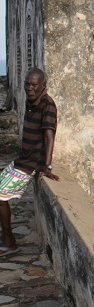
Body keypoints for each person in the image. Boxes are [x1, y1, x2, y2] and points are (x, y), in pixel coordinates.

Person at [0, 67, 59, 255]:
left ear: (43, 85)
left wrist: (47, 166)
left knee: (0, 197)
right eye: (27, 84)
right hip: (22, 160)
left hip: (32, 163)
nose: (30, 88)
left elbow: (49, 137)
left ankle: (9, 242)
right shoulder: (31, 101)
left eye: (34, 85)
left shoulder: (47, 105)